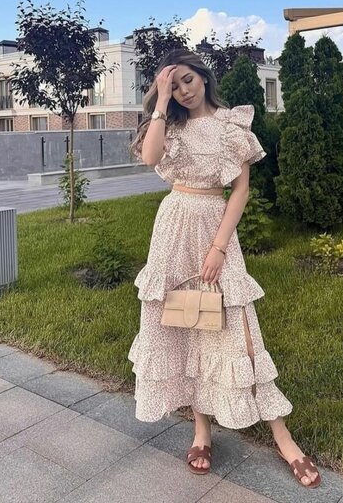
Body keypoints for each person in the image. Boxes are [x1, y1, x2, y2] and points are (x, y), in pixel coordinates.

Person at [128, 49, 321, 488]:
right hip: (174, 227)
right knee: (188, 322)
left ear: (203, 76)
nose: (183, 90)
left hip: (215, 228)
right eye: (174, 85)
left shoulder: (231, 124)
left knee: (239, 329)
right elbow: (151, 157)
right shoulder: (169, 124)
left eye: (187, 80)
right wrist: (160, 102)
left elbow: (240, 190)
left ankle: (284, 438)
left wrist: (218, 248)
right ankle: (201, 432)